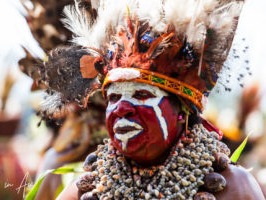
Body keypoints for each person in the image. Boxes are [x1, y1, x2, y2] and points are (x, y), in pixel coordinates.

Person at [31, 0, 265, 199]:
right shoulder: (82, 191)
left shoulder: (234, 188)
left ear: (182, 112)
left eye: (142, 95)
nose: (122, 109)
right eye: (113, 97)